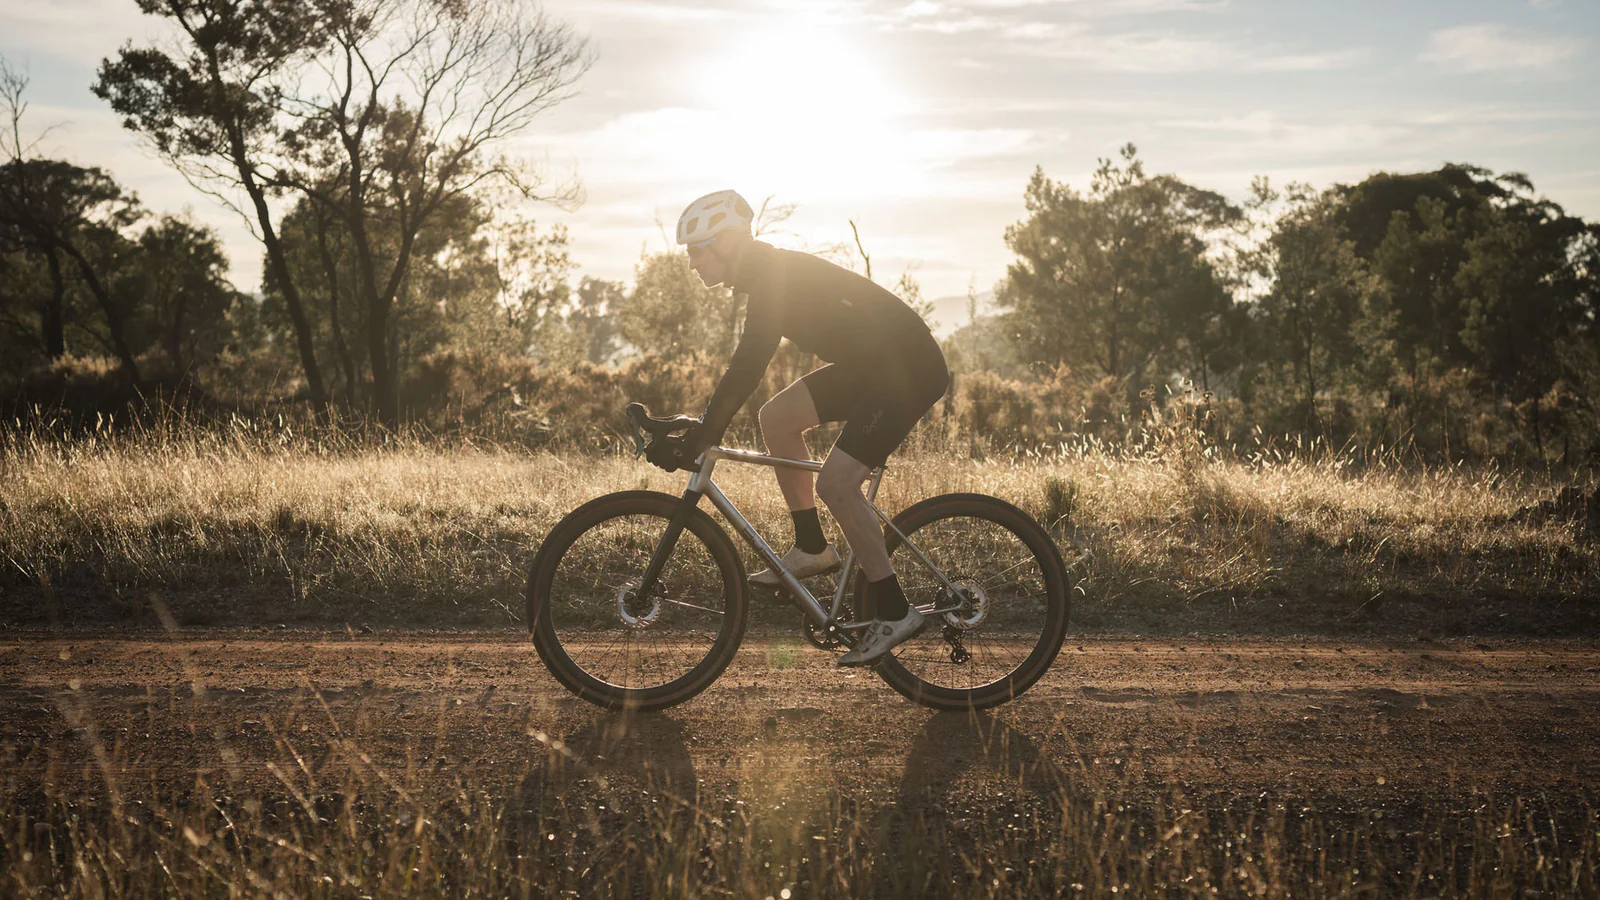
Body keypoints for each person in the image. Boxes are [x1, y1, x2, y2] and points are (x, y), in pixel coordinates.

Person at [648, 189, 949, 667]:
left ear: (726, 242)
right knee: (777, 418)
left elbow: (748, 365)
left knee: (837, 483)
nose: (691, 262)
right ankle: (812, 546)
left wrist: (707, 430)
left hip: (906, 369)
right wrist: (705, 425)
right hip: (870, 367)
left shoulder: (772, 278)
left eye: (697, 249)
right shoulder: (762, 278)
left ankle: (894, 611)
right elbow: (746, 370)